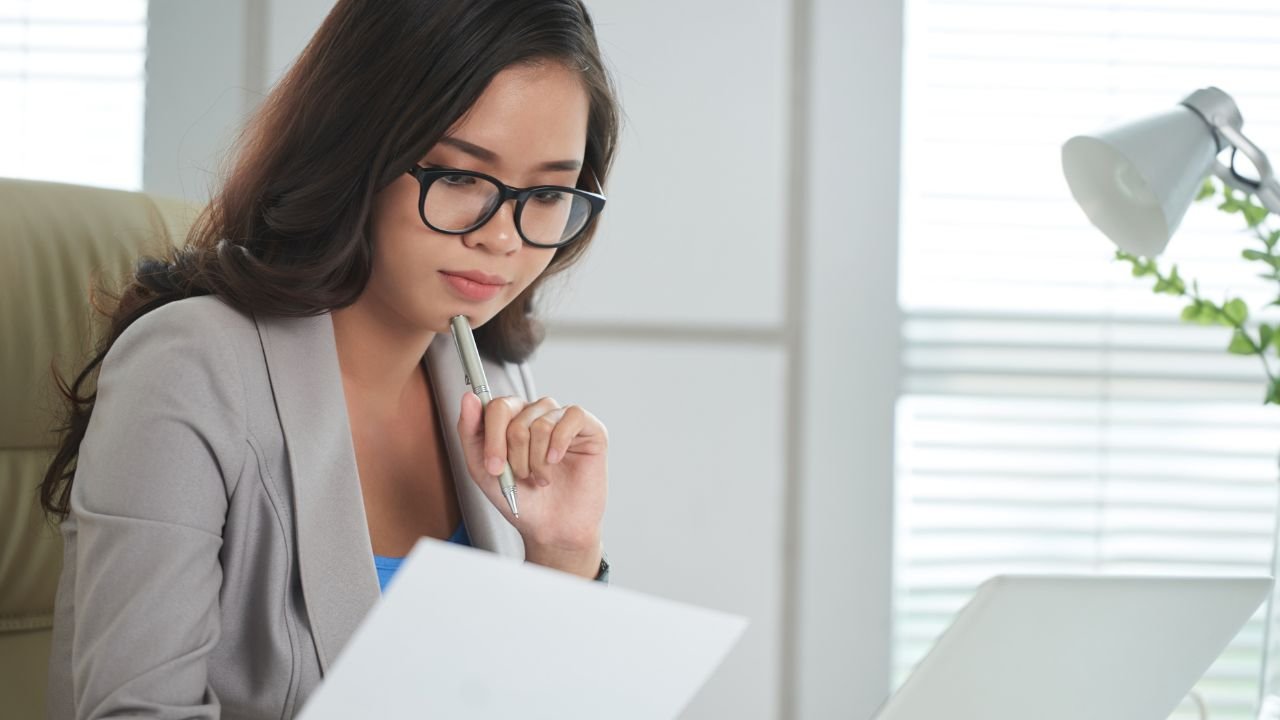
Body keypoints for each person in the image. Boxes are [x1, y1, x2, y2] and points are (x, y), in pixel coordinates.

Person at [38, 0, 619, 716]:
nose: (504, 238)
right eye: (463, 177)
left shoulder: (493, 379)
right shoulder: (190, 368)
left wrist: (562, 556)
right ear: (357, 151)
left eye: (548, 193)